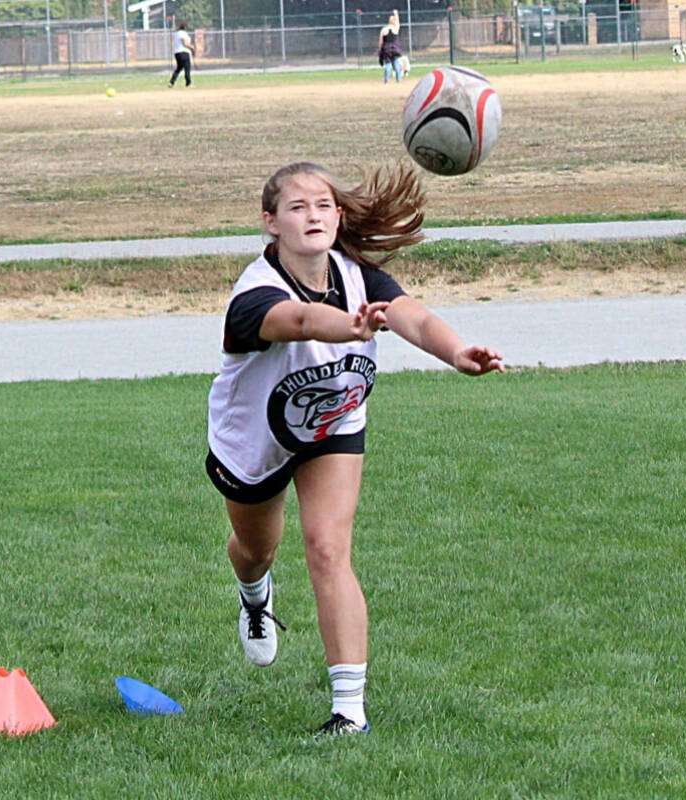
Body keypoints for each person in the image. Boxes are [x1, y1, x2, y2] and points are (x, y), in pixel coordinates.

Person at [205, 162, 504, 736]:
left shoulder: (358, 275)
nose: (312, 215)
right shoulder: (252, 293)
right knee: (254, 549)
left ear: (339, 217)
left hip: (332, 425)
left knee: (326, 548)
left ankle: (348, 712)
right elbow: (295, 319)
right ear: (270, 223)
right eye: (296, 207)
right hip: (255, 441)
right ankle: (254, 595)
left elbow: (412, 317)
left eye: (323, 205)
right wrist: (349, 327)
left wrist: (457, 352)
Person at [378, 11, 404, 84]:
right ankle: (398, 80)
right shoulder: (395, 29)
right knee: (396, 64)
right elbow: (398, 23)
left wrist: (380, 49)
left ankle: (386, 80)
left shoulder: (384, 29)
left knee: (388, 64)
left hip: (386, 49)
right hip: (395, 48)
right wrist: (396, 14)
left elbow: (381, 41)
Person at [168, 22, 196, 88]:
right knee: (187, 68)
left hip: (177, 53)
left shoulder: (176, 34)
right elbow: (185, 43)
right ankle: (188, 83)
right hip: (183, 52)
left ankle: (171, 82)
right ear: (185, 27)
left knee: (179, 68)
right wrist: (192, 47)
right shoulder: (183, 33)